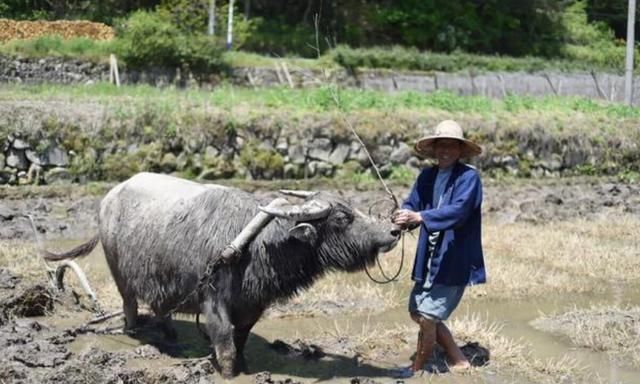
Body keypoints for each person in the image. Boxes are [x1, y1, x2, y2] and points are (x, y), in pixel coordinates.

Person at [391, 119, 486, 378]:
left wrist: (420, 218)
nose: (445, 151)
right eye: (441, 146)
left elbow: (460, 211)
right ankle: (458, 358)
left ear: (459, 151)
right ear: (434, 150)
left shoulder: (469, 178)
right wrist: (404, 214)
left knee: (427, 316)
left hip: (453, 255)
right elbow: (414, 202)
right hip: (430, 255)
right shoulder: (427, 176)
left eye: (451, 147)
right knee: (417, 311)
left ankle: (416, 369)